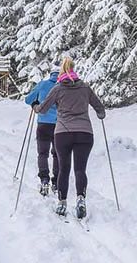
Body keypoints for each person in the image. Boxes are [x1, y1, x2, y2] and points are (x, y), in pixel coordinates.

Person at [33, 56, 105, 219]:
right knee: (80, 169)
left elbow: (43, 108)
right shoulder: (85, 88)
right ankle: (80, 198)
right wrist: (100, 114)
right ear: (74, 70)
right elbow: (100, 108)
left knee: (64, 168)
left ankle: (62, 203)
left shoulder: (58, 89)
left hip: (63, 133)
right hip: (85, 133)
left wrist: (35, 107)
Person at [24, 62, 60, 196]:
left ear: (50, 74)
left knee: (42, 154)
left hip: (43, 124)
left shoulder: (43, 84)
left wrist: (35, 103)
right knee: (58, 154)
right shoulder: (63, 86)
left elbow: (28, 100)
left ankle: (44, 180)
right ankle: (56, 182)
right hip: (60, 125)